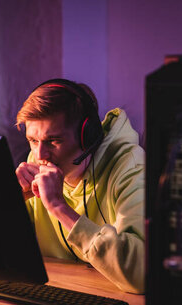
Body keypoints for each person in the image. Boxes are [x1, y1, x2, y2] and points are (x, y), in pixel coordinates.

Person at [15, 78, 145, 293]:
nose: (40, 155)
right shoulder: (34, 162)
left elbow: (141, 274)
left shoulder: (130, 167)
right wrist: (12, 200)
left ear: (87, 136)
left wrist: (58, 206)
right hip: (60, 295)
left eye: (53, 141)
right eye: (33, 140)